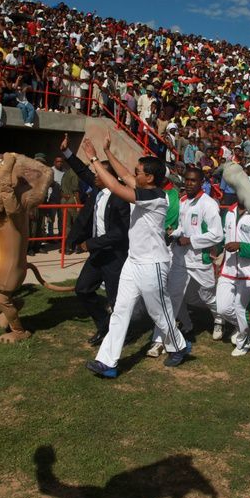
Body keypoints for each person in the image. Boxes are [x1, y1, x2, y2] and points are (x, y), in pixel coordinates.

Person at [83, 139, 192, 378]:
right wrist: (107, 152)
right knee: (120, 311)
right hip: (133, 262)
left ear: (150, 178)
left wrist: (93, 159)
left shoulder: (154, 196)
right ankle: (107, 362)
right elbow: (122, 174)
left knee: (159, 313)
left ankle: (180, 346)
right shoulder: (145, 189)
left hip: (152, 264)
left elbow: (115, 185)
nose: (133, 175)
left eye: (138, 173)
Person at [60, 135, 130, 346]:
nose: (94, 177)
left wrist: (89, 244)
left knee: (116, 300)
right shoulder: (99, 187)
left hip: (114, 256)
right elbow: (82, 171)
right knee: (83, 289)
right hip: (98, 253)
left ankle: (118, 337)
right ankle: (104, 325)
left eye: (99, 174)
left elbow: (119, 233)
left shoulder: (121, 198)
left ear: (109, 177)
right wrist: (67, 152)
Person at [148, 166, 223, 357]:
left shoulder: (209, 204)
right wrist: (174, 234)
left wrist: (191, 240)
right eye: (187, 180)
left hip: (199, 260)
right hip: (180, 259)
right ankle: (159, 341)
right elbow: (182, 226)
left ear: (201, 183)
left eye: (193, 181)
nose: (189, 184)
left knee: (207, 296)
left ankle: (219, 318)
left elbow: (217, 234)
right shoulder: (183, 201)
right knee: (172, 298)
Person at [216, 199, 250, 356]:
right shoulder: (229, 212)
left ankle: (244, 342)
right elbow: (225, 236)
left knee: (240, 308)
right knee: (222, 308)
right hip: (229, 268)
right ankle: (241, 325)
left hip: (249, 272)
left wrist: (241, 246)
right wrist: (218, 254)